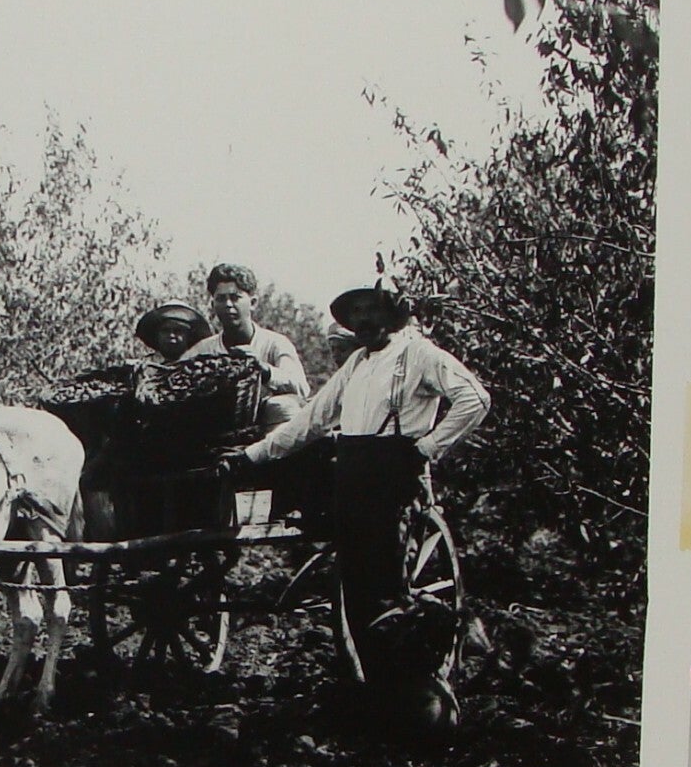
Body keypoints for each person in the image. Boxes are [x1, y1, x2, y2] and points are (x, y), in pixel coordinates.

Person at [224, 279, 490, 672]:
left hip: (392, 473)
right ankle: (370, 678)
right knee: (356, 587)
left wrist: (429, 447)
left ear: (392, 314)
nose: (363, 320)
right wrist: (253, 455)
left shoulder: (418, 354)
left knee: (387, 586)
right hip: (351, 473)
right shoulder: (358, 362)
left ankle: (417, 673)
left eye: (371, 310)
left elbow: (475, 398)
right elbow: (312, 421)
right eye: (356, 313)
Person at [182, 264, 311, 428]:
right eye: (221, 298)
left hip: (268, 433)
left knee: (283, 406)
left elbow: (301, 387)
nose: (228, 304)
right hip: (218, 430)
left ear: (253, 303)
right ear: (213, 304)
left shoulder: (274, 343)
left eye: (235, 297)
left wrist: (264, 369)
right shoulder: (203, 349)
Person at [134, 300, 212, 362]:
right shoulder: (143, 367)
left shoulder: (199, 366)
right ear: (156, 335)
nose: (171, 335)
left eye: (178, 331)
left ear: (189, 336)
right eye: (165, 331)